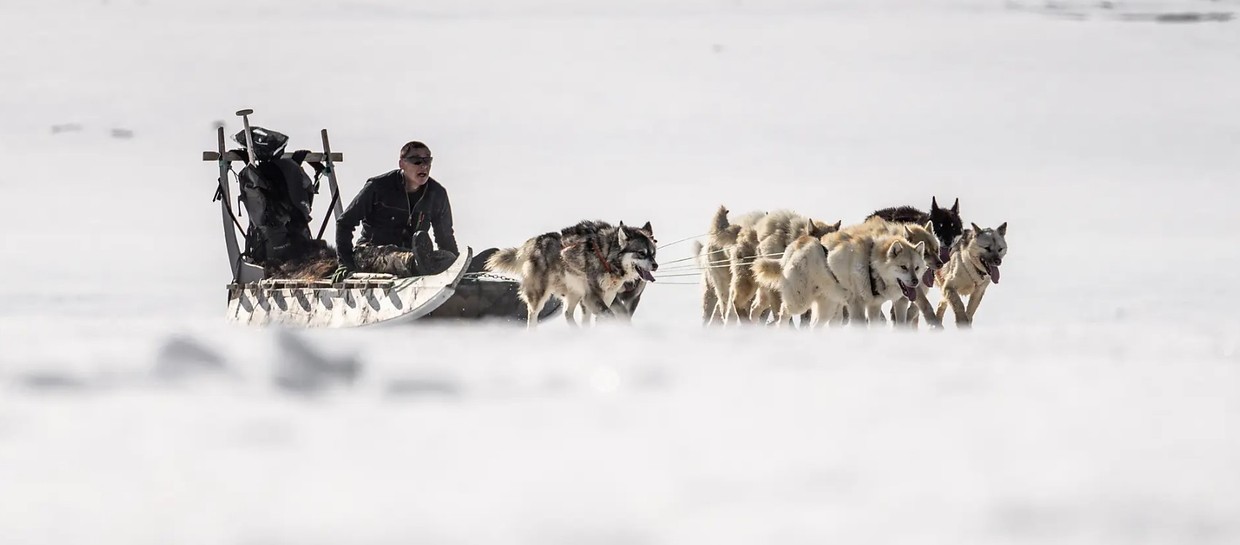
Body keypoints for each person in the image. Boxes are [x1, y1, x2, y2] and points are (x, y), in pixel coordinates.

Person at [332, 141, 459, 282]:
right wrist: (345, 262)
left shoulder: (437, 194)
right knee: (397, 257)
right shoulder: (378, 187)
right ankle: (418, 264)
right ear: (402, 164)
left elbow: (445, 236)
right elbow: (344, 223)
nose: (423, 166)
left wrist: (456, 266)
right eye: (416, 161)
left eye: (427, 160)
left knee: (447, 257)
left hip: (414, 253)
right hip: (370, 253)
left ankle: (422, 264)